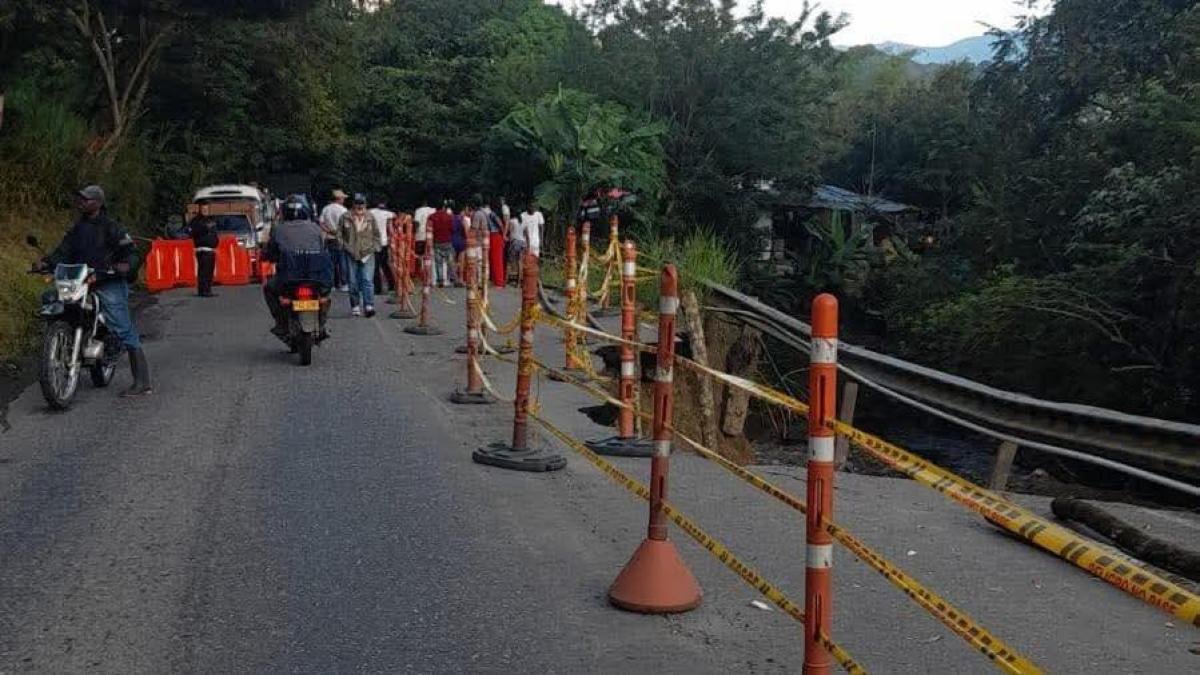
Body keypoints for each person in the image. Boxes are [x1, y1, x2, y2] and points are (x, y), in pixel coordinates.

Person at [36, 185, 152, 397]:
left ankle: (142, 382)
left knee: (122, 326)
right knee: (52, 300)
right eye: (80, 199)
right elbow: (63, 251)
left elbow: (131, 252)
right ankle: (61, 344)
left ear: (98, 202)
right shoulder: (77, 228)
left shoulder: (112, 227)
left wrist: (126, 265)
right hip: (79, 280)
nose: (82, 202)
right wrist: (46, 262)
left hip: (106, 280)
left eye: (87, 199)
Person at [262, 197, 332, 337]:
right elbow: (323, 249)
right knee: (324, 296)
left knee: (268, 288)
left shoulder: (278, 230)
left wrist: (268, 256)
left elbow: (270, 252)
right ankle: (322, 323)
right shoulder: (316, 228)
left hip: (289, 278)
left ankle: (281, 323)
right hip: (316, 277)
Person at [338, 193, 382, 317]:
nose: (359, 207)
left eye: (362, 204)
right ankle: (355, 305)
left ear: (365, 204)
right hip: (350, 252)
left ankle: (369, 304)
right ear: (353, 204)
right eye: (357, 204)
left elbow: (376, 234)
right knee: (352, 281)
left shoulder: (370, 217)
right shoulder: (345, 217)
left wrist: (376, 247)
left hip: (367, 252)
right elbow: (339, 234)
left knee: (367, 279)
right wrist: (342, 246)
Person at [319, 189, 350, 292]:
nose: (344, 200)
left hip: (329, 239)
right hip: (340, 239)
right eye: (343, 198)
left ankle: (331, 284)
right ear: (339, 199)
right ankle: (344, 283)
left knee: (330, 263)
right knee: (342, 262)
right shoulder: (343, 210)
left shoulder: (326, 209)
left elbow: (321, 223)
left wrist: (329, 231)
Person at [473, 198, 505, 288]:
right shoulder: (491, 213)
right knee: (492, 259)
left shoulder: (492, 214)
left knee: (496, 260)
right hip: (492, 236)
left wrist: (503, 235)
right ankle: (495, 280)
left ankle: (499, 282)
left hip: (495, 235)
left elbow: (500, 225)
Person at [188, 213, 219, 297]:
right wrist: (205, 228)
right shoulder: (196, 221)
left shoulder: (211, 221)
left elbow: (214, 234)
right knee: (204, 271)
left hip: (211, 249)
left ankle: (207, 289)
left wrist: (215, 241)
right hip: (202, 249)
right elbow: (192, 232)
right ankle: (203, 290)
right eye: (203, 207)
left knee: (209, 271)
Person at [369, 200, 396, 294]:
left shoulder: (370, 212)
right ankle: (392, 285)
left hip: (373, 242)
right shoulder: (388, 214)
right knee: (385, 264)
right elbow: (391, 227)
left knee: (375, 266)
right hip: (384, 242)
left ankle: (377, 288)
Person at [429, 199, 456, 287]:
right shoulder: (449, 216)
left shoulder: (431, 217)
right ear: (444, 207)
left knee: (438, 262)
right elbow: (452, 229)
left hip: (436, 242)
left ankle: (440, 280)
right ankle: (452, 277)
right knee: (450, 260)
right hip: (447, 241)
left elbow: (429, 230)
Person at [452, 202, 471, 288]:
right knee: (461, 261)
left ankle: (454, 278)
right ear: (462, 211)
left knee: (454, 261)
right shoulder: (463, 220)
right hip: (461, 242)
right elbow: (466, 232)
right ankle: (460, 279)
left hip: (453, 241)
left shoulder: (451, 218)